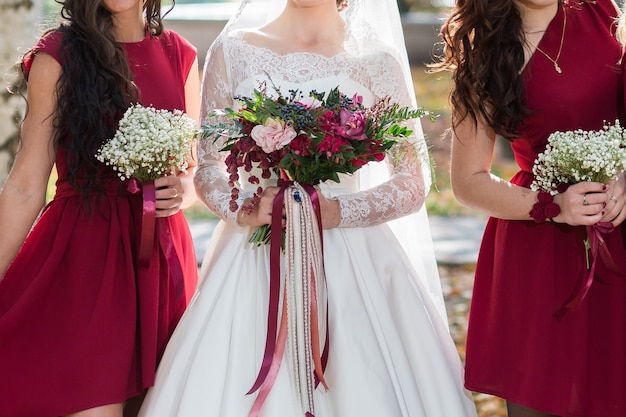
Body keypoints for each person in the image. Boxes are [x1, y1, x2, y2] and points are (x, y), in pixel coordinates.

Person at [138, 0, 478, 416]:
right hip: (256, 253)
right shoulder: (234, 51)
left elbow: (411, 181)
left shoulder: (376, 60)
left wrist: (338, 212)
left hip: (355, 256)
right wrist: (245, 208)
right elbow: (207, 165)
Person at [0, 0, 200, 416]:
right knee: (94, 402)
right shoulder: (58, 55)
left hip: (163, 262)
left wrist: (181, 189)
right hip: (88, 261)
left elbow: (195, 171)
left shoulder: (180, 54)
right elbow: (25, 184)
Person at [435, 0, 626, 415]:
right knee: (542, 399)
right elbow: (468, 182)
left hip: (619, 231)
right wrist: (553, 206)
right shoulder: (483, 49)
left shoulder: (605, 12)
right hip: (538, 247)